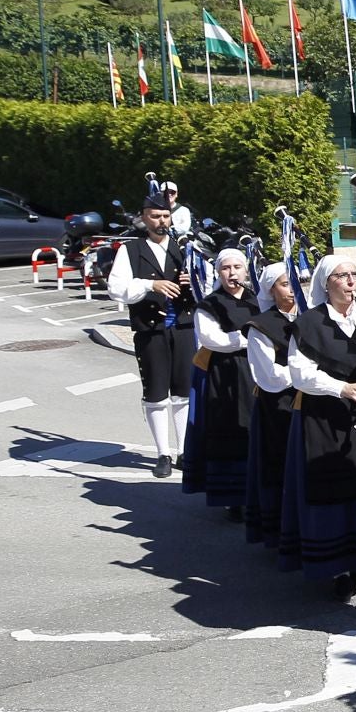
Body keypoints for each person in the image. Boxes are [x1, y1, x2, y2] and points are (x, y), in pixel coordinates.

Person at [283, 255, 356, 600]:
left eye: (354, 274)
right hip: (326, 420)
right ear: (326, 283)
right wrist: (342, 389)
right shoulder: (309, 322)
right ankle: (339, 568)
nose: (351, 281)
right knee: (336, 492)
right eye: (342, 275)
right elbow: (299, 374)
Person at [108, 189, 195, 478]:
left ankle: (184, 450)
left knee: (183, 393)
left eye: (166, 216)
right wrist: (149, 285)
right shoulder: (130, 250)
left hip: (183, 327)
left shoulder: (184, 247)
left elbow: (206, 287)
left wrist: (192, 280)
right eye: (155, 216)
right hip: (151, 330)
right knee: (157, 394)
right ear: (144, 218)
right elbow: (116, 289)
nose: (162, 221)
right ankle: (163, 453)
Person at [182, 248, 259, 515]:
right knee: (230, 430)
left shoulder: (256, 300)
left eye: (237, 267)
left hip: (254, 371)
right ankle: (233, 498)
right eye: (226, 268)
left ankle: (255, 492)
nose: (232, 272)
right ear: (218, 272)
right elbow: (211, 339)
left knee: (254, 429)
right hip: (225, 373)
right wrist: (249, 338)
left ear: (246, 271)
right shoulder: (209, 304)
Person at [243, 261, 298, 550]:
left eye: (296, 281)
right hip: (278, 407)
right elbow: (271, 376)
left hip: (308, 405)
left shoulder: (312, 318)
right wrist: (307, 373)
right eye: (285, 283)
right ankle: (280, 532)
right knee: (280, 466)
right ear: (271, 290)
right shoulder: (261, 327)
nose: (293, 289)